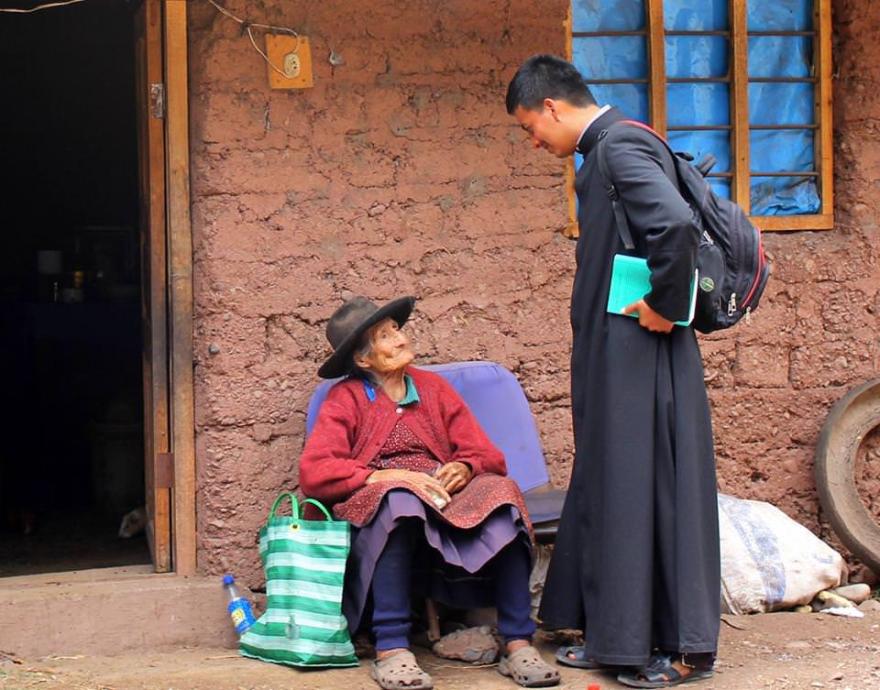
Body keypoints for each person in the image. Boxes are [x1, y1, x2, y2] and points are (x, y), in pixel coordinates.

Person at [505, 55, 720, 688]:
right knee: (619, 485)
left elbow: (675, 226)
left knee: (655, 488)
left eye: (529, 127)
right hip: (616, 353)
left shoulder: (620, 147)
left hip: (642, 353)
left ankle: (685, 650)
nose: (534, 141)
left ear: (550, 106)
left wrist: (663, 305)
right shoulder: (604, 152)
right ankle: (620, 639)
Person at [299, 295, 561, 690]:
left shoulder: (432, 389)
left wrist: (465, 466)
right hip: (378, 497)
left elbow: (486, 453)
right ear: (363, 360)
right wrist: (383, 477)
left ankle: (518, 642)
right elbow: (316, 471)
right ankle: (392, 648)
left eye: (396, 330)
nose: (400, 340)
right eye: (384, 337)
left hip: (440, 493)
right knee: (399, 500)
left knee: (502, 494)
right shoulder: (345, 400)